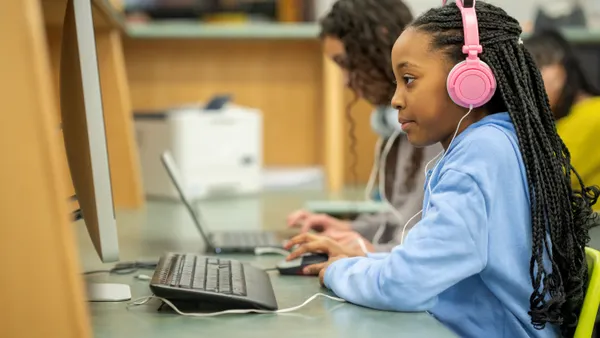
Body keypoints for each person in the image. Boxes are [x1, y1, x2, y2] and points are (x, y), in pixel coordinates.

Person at [284, 1, 600, 338]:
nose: (396, 99)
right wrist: (360, 262)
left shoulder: (480, 156)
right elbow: (430, 266)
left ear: (469, 82)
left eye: (408, 79)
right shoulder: (497, 141)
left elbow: (408, 283)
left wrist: (338, 272)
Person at [286, 0, 442, 253]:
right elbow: (403, 220)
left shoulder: (436, 127)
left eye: (346, 63)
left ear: (380, 43)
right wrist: (353, 230)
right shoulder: (398, 128)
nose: (346, 81)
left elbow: (433, 250)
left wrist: (364, 252)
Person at [524, 29, 600, 210]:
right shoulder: (562, 122)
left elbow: (543, 182)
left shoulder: (593, 115)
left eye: (538, 68)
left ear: (560, 68)